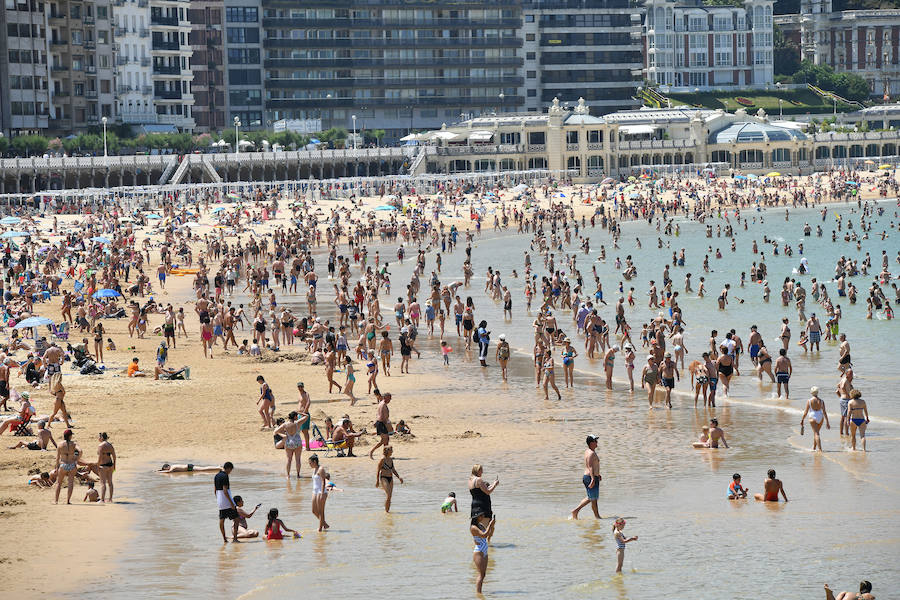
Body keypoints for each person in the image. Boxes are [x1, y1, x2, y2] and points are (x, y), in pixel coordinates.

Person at [571, 435, 602, 519]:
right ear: (591, 443)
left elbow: (592, 465)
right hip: (590, 477)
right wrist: (592, 479)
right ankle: (597, 517)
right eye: (595, 441)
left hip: (590, 476)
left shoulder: (588, 451)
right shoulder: (591, 453)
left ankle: (576, 511)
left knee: (591, 498)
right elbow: (590, 466)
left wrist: (597, 474)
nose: (597, 442)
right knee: (593, 499)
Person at [273, 411, 303, 478]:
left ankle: (288, 475)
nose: (297, 417)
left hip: (289, 442)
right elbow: (306, 416)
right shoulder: (298, 423)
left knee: (289, 460)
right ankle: (298, 475)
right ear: (295, 416)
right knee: (298, 459)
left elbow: (275, 432)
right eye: (297, 415)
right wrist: (302, 413)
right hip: (297, 442)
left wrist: (283, 435)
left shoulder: (285, 424)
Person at [215, 462, 240, 542]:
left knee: (222, 520)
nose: (230, 472)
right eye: (231, 470)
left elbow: (215, 490)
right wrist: (232, 503)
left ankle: (224, 539)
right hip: (227, 502)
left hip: (220, 502)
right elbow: (225, 491)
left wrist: (218, 500)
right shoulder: (225, 476)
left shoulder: (216, 475)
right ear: (228, 468)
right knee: (236, 519)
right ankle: (235, 539)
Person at [471, 514, 496, 593]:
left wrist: (492, 526)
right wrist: (489, 524)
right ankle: (479, 593)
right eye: (481, 516)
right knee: (481, 575)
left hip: (484, 550)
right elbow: (484, 535)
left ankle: (480, 593)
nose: (483, 517)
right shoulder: (473, 527)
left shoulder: (480, 525)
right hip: (479, 551)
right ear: (476, 517)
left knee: (483, 574)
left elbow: (488, 533)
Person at [800, 386, 830, 451]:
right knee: (816, 432)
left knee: (816, 433)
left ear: (811, 392)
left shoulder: (809, 401)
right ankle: (814, 447)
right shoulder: (821, 401)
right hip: (820, 416)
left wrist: (802, 419)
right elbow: (824, 412)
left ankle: (820, 449)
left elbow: (806, 412)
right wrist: (827, 422)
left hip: (812, 416)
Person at [54, 429, 79, 505]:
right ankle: (68, 500)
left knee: (59, 483)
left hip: (63, 464)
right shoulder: (74, 444)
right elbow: (80, 451)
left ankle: (56, 501)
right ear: (70, 436)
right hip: (71, 464)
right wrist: (76, 458)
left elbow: (57, 458)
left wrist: (56, 467)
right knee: (70, 483)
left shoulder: (60, 444)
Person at [375, 445, 404, 512]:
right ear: (387, 451)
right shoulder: (382, 460)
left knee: (390, 496)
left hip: (390, 478)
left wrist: (399, 477)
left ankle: (388, 513)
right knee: (388, 495)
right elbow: (378, 470)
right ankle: (386, 512)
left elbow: (393, 470)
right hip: (383, 478)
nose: (392, 451)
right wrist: (377, 481)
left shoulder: (391, 459)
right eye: (391, 450)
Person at [469, 464, 498, 528]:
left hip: (474, 506)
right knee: (484, 529)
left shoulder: (470, 480)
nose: (482, 472)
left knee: (477, 530)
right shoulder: (478, 479)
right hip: (483, 506)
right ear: (478, 470)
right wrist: (495, 484)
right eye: (481, 470)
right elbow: (488, 492)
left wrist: (492, 484)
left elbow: (480, 491)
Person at [369, 390, 392, 459]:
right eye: (389, 398)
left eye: (390, 398)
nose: (390, 400)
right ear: (385, 397)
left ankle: (385, 455)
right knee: (384, 440)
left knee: (386, 439)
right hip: (381, 423)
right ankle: (371, 451)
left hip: (381, 423)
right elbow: (382, 416)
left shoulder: (382, 403)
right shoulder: (383, 405)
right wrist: (387, 425)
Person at [308, 454, 329, 531]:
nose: (309, 465)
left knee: (321, 511)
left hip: (321, 491)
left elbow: (323, 482)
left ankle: (320, 528)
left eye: (310, 463)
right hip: (315, 491)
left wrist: (322, 493)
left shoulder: (321, 469)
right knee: (314, 510)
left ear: (314, 462)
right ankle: (324, 524)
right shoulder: (314, 469)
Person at [95, 432, 116, 502]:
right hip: (110, 465)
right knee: (110, 483)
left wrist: (97, 465)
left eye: (99, 437)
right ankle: (110, 499)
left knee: (103, 483)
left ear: (101, 438)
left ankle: (102, 499)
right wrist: (114, 466)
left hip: (103, 466)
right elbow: (114, 456)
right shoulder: (110, 445)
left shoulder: (100, 445)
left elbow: (100, 457)